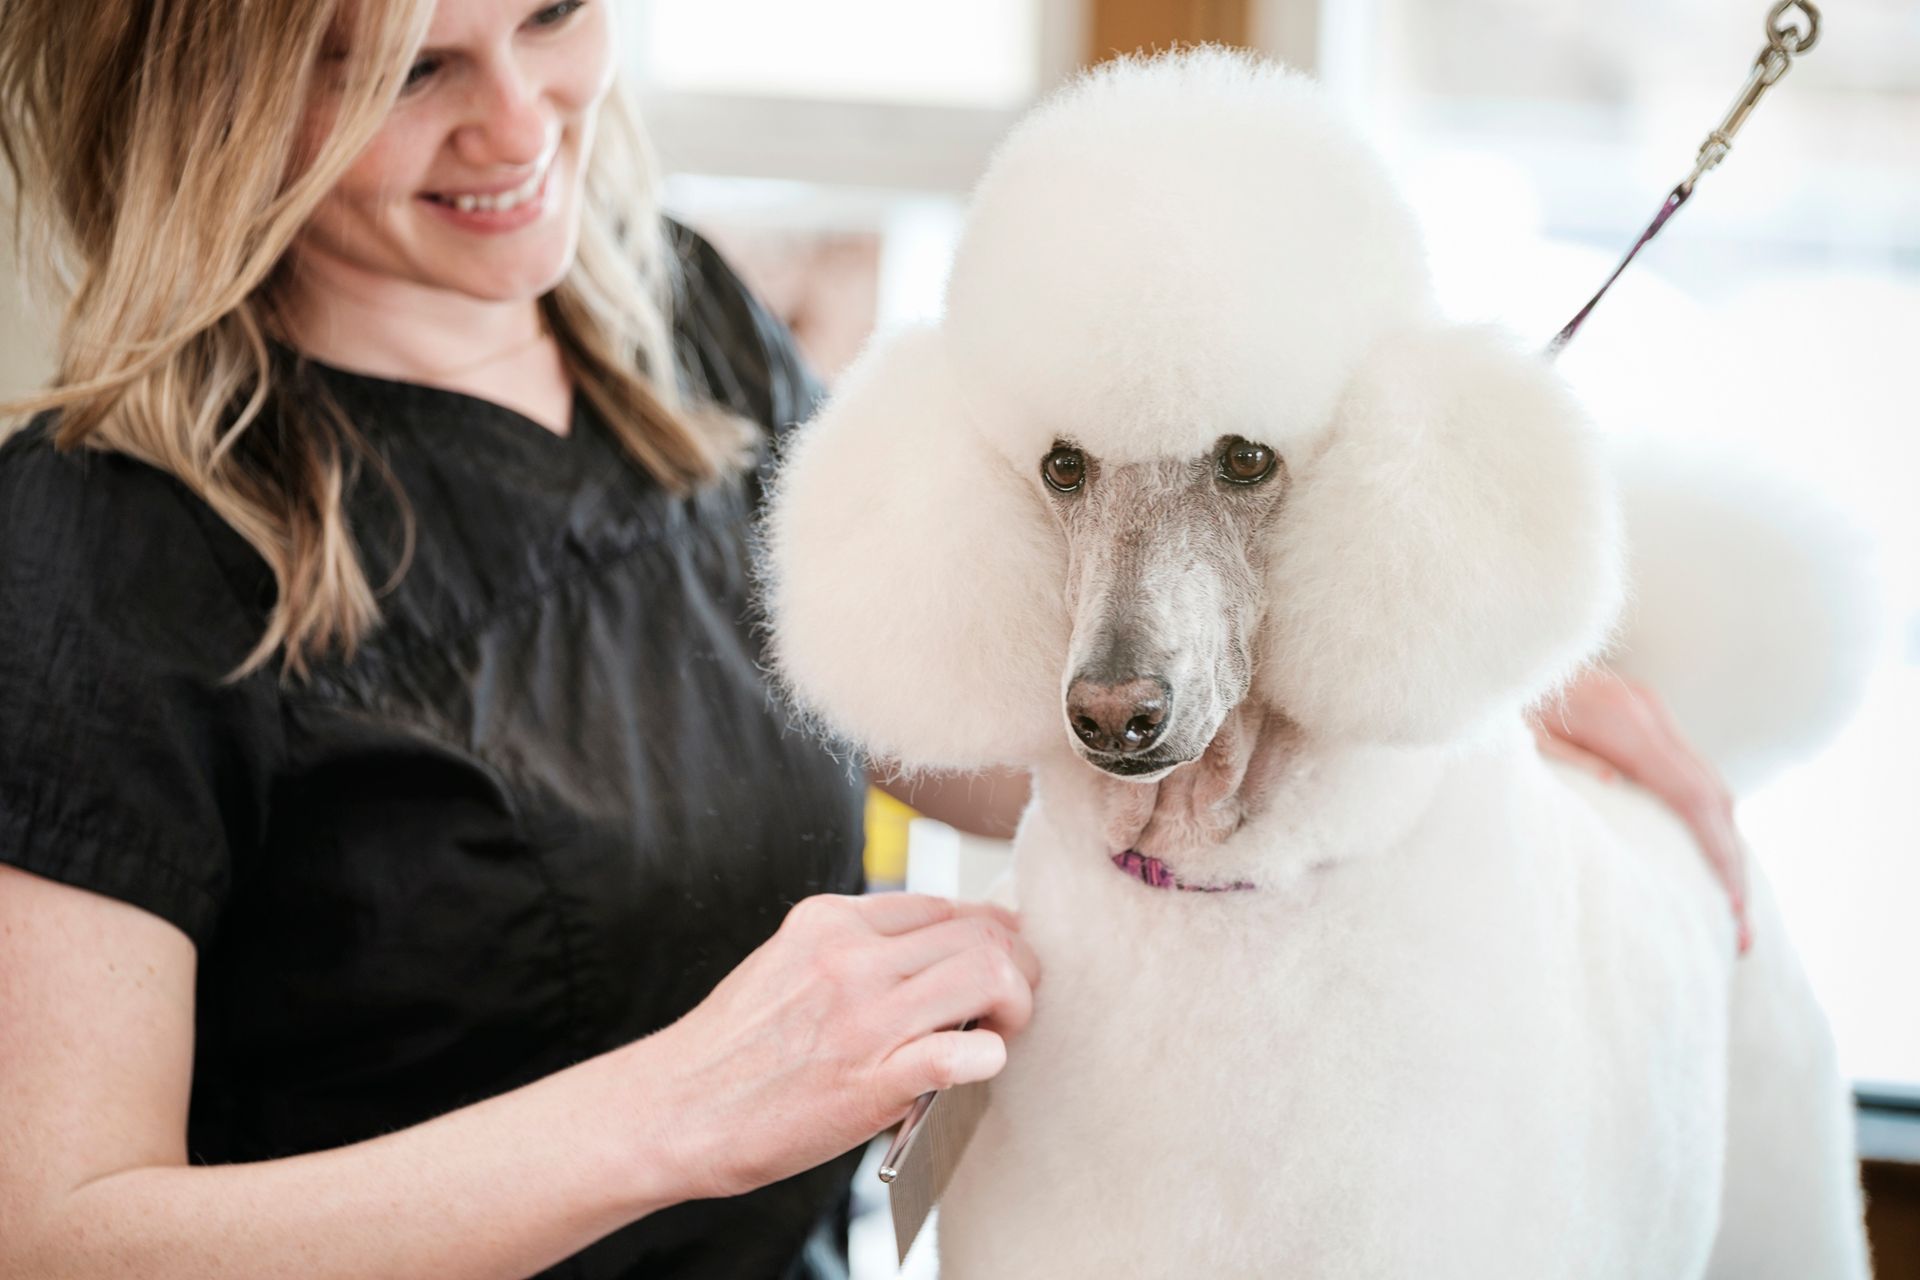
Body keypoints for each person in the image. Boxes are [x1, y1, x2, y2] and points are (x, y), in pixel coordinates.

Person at [0, 2, 1746, 1277]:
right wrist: (681, 1111)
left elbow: (943, 726)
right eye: (405, 69)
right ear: (207, 88)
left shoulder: (673, 324)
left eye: (551, 16)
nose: (525, 122)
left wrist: (1445, 695)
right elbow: (60, 1240)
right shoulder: (97, 550)